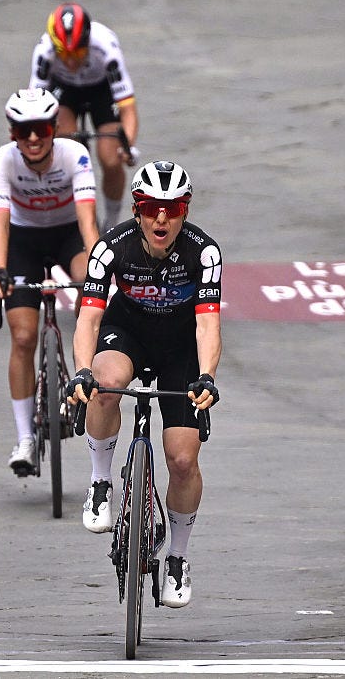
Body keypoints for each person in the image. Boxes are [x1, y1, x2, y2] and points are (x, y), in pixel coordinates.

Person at [66, 160, 222, 608]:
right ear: (137, 209)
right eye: (152, 207)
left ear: (185, 211)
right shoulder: (110, 248)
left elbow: (208, 325)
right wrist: (82, 370)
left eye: (173, 208)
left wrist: (207, 376)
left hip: (180, 347)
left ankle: (177, 556)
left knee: (182, 460)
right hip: (127, 332)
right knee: (106, 382)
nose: (162, 217)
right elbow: (89, 318)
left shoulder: (204, 253)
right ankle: (100, 481)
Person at [0, 88, 98, 475]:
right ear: (12, 133)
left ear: (54, 128)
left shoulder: (75, 155)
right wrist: (0, 271)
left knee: (91, 283)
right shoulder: (3, 160)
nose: (33, 138)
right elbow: (0, 225)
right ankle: (25, 439)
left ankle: (81, 377)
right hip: (24, 242)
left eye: (41, 129)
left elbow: (88, 223)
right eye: (23, 130)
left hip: (67, 235)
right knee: (22, 337)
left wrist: (98, 272)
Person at [29, 2, 138, 232]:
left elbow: (128, 108)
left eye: (77, 53)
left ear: (87, 42)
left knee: (111, 158)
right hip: (65, 89)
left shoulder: (106, 48)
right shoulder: (44, 52)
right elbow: (35, 107)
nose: (70, 61)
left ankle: (111, 222)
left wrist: (127, 146)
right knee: (66, 150)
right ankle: (83, 217)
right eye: (64, 54)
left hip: (101, 88)